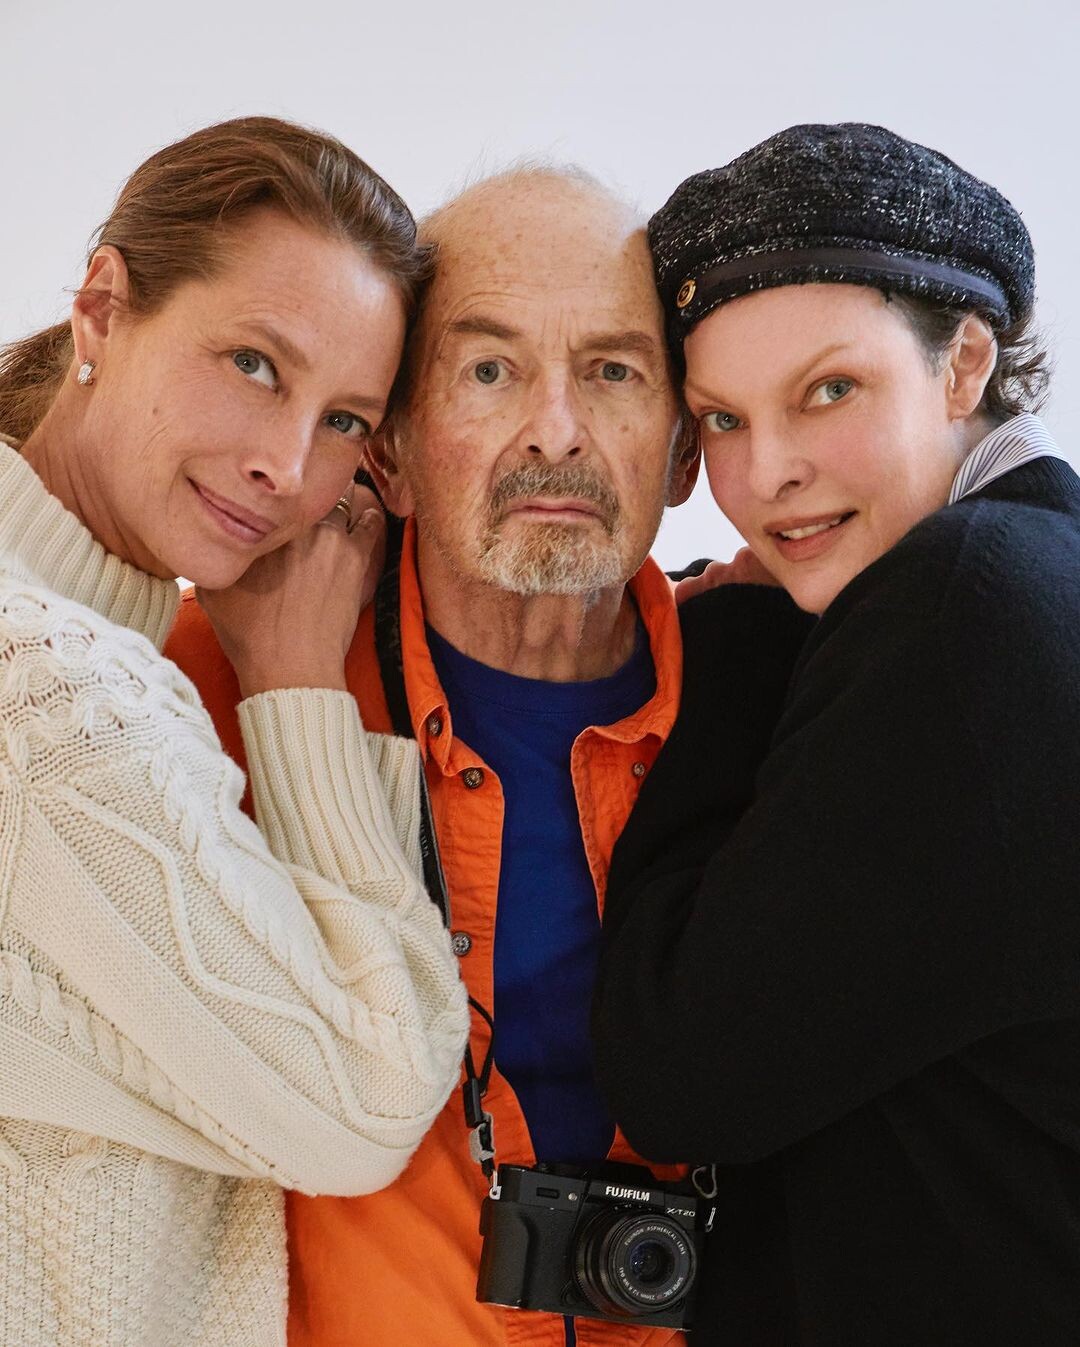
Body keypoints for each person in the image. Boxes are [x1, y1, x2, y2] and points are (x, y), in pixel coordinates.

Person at [166, 166, 803, 1347]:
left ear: (683, 452)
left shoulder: (784, 702)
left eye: (614, 372)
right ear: (393, 449)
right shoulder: (213, 679)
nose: (556, 429)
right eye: (490, 370)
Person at [591, 123, 1080, 1346]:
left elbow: (681, 1070)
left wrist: (732, 637)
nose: (770, 475)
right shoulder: (1041, 573)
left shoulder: (962, 609)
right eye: (722, 420)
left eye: (829, 391)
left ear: (964, 365)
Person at [0, 116, 469, 1347]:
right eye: (255, 364)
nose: (288, 466)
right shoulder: (52, 688)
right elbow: (372, 1101)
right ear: (102, 309)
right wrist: (299, 684)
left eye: (346, 420)